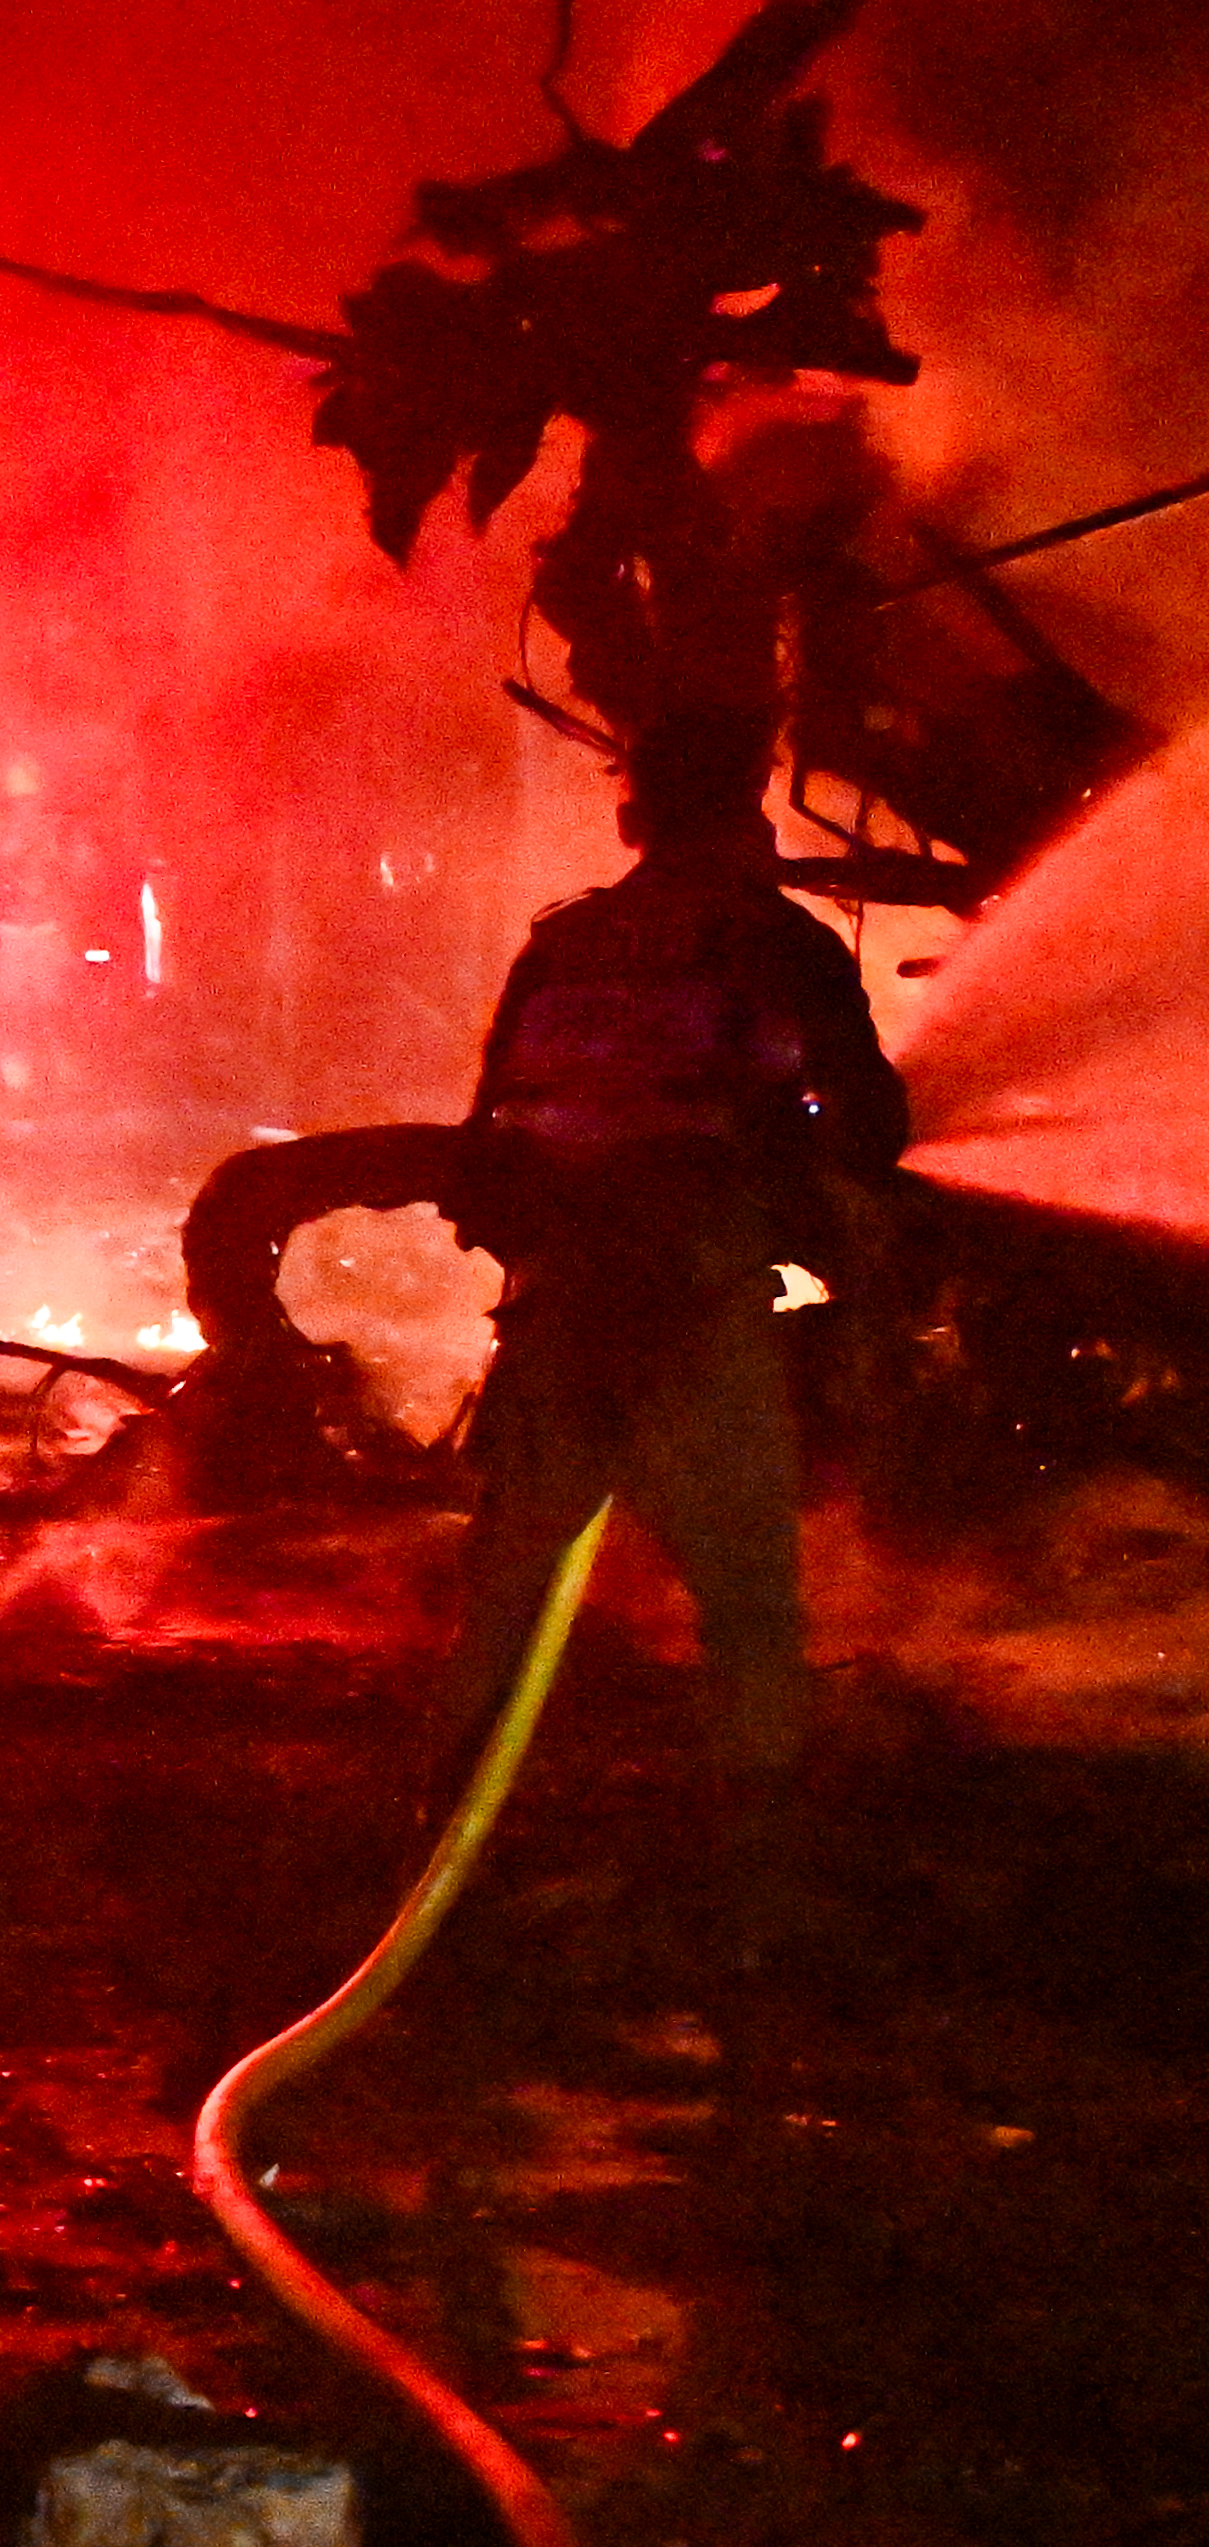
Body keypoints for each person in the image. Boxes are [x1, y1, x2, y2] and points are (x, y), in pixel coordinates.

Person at [444, 702, 901, 1809]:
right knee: (748, 1602)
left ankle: (438, 1832)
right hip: (699, 1302)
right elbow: (871, 1122)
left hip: (555, 1310)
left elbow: (486, 1144)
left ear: (633, 815)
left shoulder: (561, 943)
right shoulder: (777, 941)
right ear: (746, 811)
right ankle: (760, 1875)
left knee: (505, 1599)